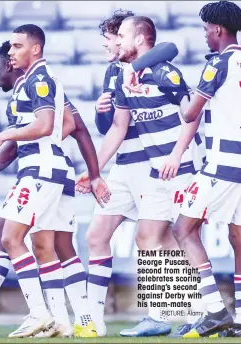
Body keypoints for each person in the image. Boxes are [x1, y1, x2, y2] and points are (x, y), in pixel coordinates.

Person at [0, 40, 109, 338]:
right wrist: (94, 175)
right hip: (57, 171)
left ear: (13, 62)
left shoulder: (37, 82)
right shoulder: (43, 86)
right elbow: (75, 126)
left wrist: (4, 134)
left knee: (7, 237)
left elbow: (45, 127)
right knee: (52, 247)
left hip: (40, 171)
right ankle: (78, 321)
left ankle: (32, 313)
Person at [79, 15, 203, 337]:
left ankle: (197, 312)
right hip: (149, 167)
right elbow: (116, 128)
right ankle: (171, 315)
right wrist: (94, 171)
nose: (115, 42)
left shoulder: (162, 70)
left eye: (119, 35)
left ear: (136, 40)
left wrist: (177, 156)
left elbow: (192, 114)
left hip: (180, 165)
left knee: (179, 238)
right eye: (114, 36)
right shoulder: (120, 76)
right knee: (147, 238)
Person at [168, 1, 241, 338]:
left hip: (222, 163)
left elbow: (189, 113)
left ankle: (214, 310)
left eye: (205, 30)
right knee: (239, 239)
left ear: (217, 30)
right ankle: (239, 318)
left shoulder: (218, 65)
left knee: (183, 229)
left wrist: (176, 89)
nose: (205, 36)